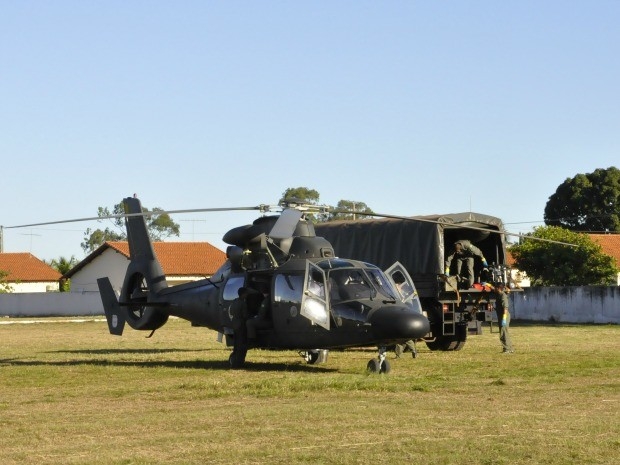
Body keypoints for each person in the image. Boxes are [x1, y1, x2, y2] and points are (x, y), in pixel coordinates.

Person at [494, 282, 514, 353]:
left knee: (503, 333)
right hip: (501, 316)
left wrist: (504, 319)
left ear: (498, 288)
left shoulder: (503, 296)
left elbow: (505, 307)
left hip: (504, 316)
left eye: (495, 287)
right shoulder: (499, 294)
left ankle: (507, 349)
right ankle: (509, 348)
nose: (494, 288)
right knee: (505, 332)